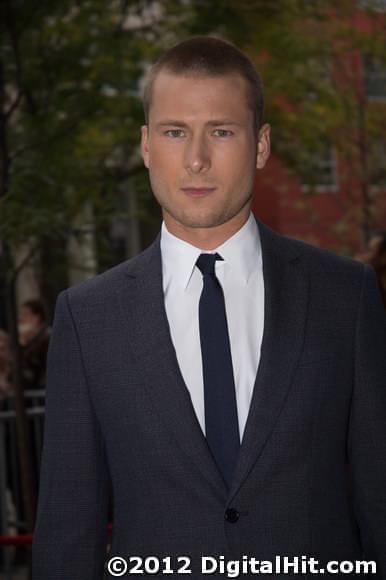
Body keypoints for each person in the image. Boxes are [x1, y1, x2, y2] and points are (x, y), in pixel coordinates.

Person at [32, 37, 386, 579]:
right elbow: (67, 531)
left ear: (261, 145)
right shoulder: (87, 319)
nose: (196, 159)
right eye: (176, 132)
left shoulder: (346, 296)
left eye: (221, 131)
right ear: (147, 146)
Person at [18, 299, 51, 390]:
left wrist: (23, 344)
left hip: (44, 388)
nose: (21, 319)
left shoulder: (46, 337)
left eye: (25, 314)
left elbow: (33, 365)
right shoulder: (33, 338)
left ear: (37, 317)